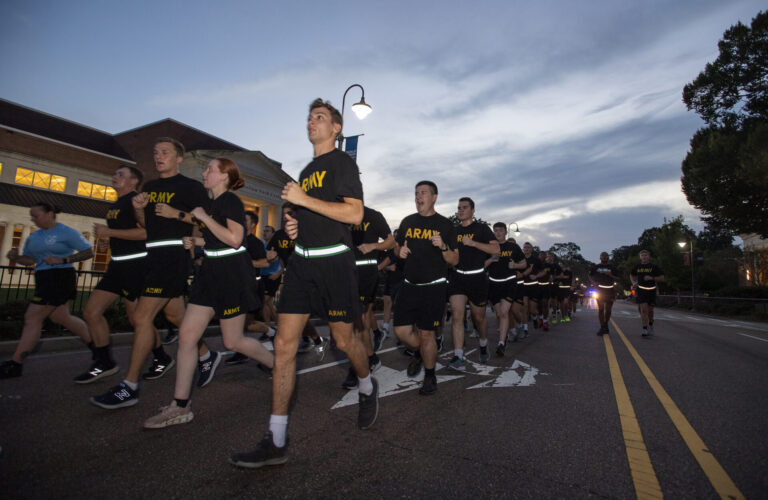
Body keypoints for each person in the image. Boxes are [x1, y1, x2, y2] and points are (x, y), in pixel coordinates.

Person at [230, 98, 377, 469]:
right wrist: (295, 226)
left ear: (336, 128)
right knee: (283, 343)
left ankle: (366, 383)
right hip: (302, 264)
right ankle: (276, 439)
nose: (312, 122)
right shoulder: (307, 169)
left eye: (321, 117)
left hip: (334, 263)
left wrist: (302, 199)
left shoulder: (342, 163)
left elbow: (355, 213)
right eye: (310, 117)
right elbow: (309, 212)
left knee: (344, 340)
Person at [143, 158, 275, 428]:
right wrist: (199, 238)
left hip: (231, 276)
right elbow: (217, 235)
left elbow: (235, 239)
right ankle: (180, 406)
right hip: (209, 273)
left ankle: (279, 366)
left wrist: (201, 218)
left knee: (233, 342)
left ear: (225, 176)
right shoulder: (213, 204)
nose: (204, 173)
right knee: (187, 337)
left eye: (210, 170)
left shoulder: (230, 201)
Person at [91, 137, 217, 409]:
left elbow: (204, 223)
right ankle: (207, 356)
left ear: (178, 158)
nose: (158, 156)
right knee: (176, 316)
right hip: (152, 254)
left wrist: (176, 215)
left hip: (172, 256)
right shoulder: (150, 187)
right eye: (155, 152)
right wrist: (138, 210)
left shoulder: (191, 187)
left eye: (165, 152)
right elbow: (145, 225)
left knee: (142, 316)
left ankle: (130, 386)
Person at [0, 202, 94, 379]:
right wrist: (16, 257)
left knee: (33, 316)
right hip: (43, 278)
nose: (33, 219)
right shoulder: (34, 237)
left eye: (36, 215)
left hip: (60, 277)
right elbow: (30, 260)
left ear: (50, 214)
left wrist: (64, 260)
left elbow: (88, 252)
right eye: (32, 216)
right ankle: (97, 346)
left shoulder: (66, 232)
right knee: (60, 317)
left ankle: (16, 364)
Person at [75, 166, 148, 383]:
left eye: (120, 175)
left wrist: (110, 233)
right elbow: (122, 235)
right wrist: (108, 241)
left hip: (136, 265)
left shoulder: (137, 201)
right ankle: (104, 362)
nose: (114, 176)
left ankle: (161, 357)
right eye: (114, 173)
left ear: (133, 182)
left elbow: (145, 233)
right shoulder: (113, 206)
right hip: (116, 266)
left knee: (138, 320)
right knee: (90, 312)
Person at [393, 181, 458, 394]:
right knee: (401, 332)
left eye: (423, 193)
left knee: (427, 334)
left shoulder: (445, 225)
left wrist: (444, 247)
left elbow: (454, 260)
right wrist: (399, 252)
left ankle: (430, 376)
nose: (418, 197)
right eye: (416, 193)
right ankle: (420, 353)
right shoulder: (407, 222)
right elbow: (397, 247)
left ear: (434, 197)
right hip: (409, 285)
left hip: (433, 287)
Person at [341, 206, 394, 389]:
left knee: (356, 321)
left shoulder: (373, 215)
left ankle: (356, 366)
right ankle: (371, 358)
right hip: (344, 272)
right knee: (359, 321)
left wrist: (373, 245)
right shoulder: (339, 213)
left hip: (366, 272)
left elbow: (391, 242)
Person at [447, 198, 499, 370]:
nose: (461, 210)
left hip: (477, 278)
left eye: (465, 207)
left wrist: (473, 243)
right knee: (457, 315)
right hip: (457, 277)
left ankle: (483, 344)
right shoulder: (454, 231)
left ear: (473, 210)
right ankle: (458, 355)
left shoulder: (481, 229)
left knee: (478, 318)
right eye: (459, 208)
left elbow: (495, 250)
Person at [227, 210, 274, 365]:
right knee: (234, 324)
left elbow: (264, 263)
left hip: (251, 287)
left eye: (245, 220)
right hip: (234, 286)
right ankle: (241, 353)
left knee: (247, 324)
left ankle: (271, 332)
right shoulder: (234, 239)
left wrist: (242, 261)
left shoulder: (255, 243)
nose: (241, 221)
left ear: (253, 224)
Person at [485, 223, 526, 356]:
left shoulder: (513, 247)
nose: (498, 233)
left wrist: (515, 265)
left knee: (504, 312)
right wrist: (490, 260)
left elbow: (524, 263)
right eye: (495, 231)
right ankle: (506, 335)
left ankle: (501, 343)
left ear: (505, 232)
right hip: (493, 283)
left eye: (500, 231)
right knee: (499, 314)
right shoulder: (489, 247)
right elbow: (482, 265)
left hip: (509, 282)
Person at [630, 250, 664, 337]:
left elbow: (662, 278)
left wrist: (651, 278)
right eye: (642, 255)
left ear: (649, 256)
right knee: (643, 310)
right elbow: (632, 275)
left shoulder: (654, 267)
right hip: (641, 290)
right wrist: (634, 283)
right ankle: (644, 329)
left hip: (651, 290)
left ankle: (651, 324)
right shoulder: (638, 267)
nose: (644, 257)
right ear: (640, 257)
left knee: (650, 311)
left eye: (645, 255)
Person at [379, 229, 404, 338]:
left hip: (401, 282)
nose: (395, 239)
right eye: (394, 237)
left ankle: (403, 332)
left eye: (397, 237)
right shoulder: (389, 251)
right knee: (387, 304)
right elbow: (383, 268)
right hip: (390, 281)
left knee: (400, 308)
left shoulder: (404, 251)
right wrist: (388, 267)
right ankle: (385, 328)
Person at [590, 252, 620, 335]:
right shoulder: (596, 267)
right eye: (602, 256)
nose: (604, 257)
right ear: (600, 257)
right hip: (600, 290)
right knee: (601, 309)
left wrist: (611, 275)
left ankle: (606, 324)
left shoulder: (612, 267)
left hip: (610, 290)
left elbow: (618, 279)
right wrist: (593, 282)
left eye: (606, 256)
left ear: (608, 258)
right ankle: (602, 327)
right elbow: (590, 276)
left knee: (608, 309)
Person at [520, 242, 542, 336]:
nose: (526, 249)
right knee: (524, 307)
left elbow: (543, 272)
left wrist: (536, 276)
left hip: (533, 286)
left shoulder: (536, 260)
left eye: (528, 247)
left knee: (532, 309)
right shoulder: (520, 259)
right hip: (523, 285)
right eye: (525, 247)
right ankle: (525, 329)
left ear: (531, 249)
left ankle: (535, 317)